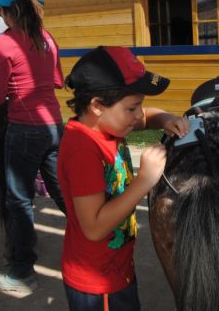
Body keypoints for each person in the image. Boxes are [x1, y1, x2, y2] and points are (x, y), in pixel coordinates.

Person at [57, 46, 189, 310]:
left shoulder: (108, 124)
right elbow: (94, 228)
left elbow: (147, 116)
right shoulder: (83, 149)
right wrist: (144, 181)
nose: (139, 115)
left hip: (116, 268)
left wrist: (165, 119)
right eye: (132, 108)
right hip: (97, 283)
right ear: (96, 105)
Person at [0, 0, 67, 293]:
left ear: (6, 12)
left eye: (1, 13)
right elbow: (58, 81)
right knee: (65, 193)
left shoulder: (4, 43)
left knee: (18, 200)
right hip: (55, 126)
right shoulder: (48, 38)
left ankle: (21, 272)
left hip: (24, 129)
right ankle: (102, 243)